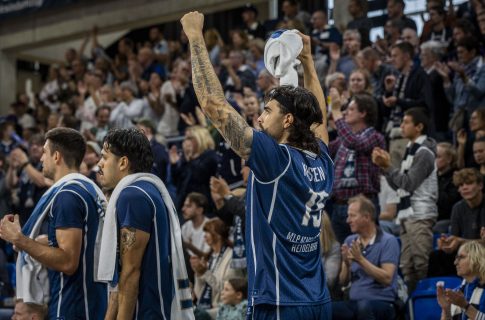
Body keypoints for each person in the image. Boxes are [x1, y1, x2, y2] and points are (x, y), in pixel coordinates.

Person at [181, 11, 333, 319]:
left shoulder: (275, 159)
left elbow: (214, 105)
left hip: (280, 301)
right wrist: (307, 62)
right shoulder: (322, 158)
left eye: (268, 110)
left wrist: (196, 38)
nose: (260, 118)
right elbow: (318, 119)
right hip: (317, 299)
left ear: (288, 120)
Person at [0, 127, 108, 319]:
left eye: (44, 152)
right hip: (91, 301)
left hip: (73, 306)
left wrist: (19, 239)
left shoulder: (68, 195)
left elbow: (68, 262)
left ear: (56, 156)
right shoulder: (87, 188)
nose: (41, 159)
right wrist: (44, 240)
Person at [96, 128, 193, 319]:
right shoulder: (147, 189)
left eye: (104, 157)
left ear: (123, 162)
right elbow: (120, 279)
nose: (99, 164)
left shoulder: (133, 196)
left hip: (147, 312)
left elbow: (131, 272)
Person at [373, 108, 438, 293]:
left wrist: (388, 167)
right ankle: (411, 307)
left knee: (421, 263)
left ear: (419, 127)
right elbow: (399, 187)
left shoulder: (424, 152)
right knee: (407, 267)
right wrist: (384, 168)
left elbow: (408, 184)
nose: (401, 126)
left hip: (421, 213)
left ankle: (428, 303)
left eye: (406, 122)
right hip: (407, 214)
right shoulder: (411, 150)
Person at [328, 93, 386, 243]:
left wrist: (336, 113)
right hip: (339, 205)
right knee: (344, 254)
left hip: (364, 205)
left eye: (351, 109)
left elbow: (354, 143)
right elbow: (322, 149)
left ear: (363, 113)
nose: (346, 112)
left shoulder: (374, 136)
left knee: (367, 249)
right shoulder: (342, 138)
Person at [333, 195, 399, 320]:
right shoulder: (350, 241)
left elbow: (387, 278)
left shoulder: (388, 241)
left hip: (382, 303)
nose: (348, 220)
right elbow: (343, 281)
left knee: (364, 307)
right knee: (325, 310)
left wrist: (360, 260)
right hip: (354, 302)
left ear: (367, 217)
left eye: (352, 216)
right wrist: (346, 264)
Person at [191, 218, 244, 318]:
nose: (205, 236)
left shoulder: (232, 257)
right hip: (207, 309)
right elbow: (199, 294)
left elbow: (227, 291)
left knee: (196, 314)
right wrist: (198, 273)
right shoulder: (208, 258)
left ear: (219, 235)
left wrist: (205, 273)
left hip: (225, 310)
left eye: (208, 232)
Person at [437, 240, 485, 319]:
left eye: (461, 257)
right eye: (456, 258)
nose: (455, 262)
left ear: (477, 259)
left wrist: (465, 306)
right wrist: (446, 309)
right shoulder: (456, 293)